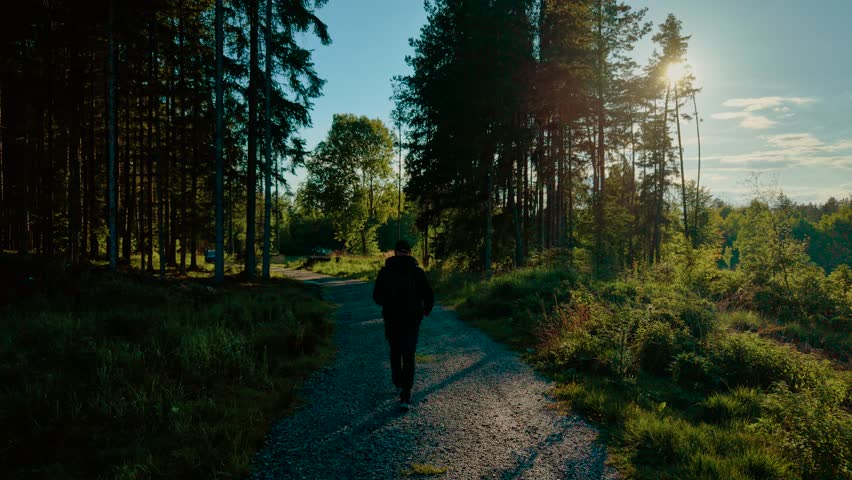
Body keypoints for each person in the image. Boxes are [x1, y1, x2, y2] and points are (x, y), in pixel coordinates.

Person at [372, 239, 434, 411]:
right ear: (410, 252)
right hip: (412, 320)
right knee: (409, 355)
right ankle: (405, 396)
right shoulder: (418, 272)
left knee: (395, 350)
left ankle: (397, 380)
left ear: (395, 252)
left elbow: (377, 296)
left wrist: (388, 303)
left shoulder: (385, 271)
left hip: (391, 318)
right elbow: (428, 294)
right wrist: (426, 310)